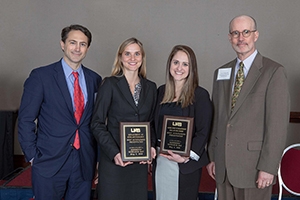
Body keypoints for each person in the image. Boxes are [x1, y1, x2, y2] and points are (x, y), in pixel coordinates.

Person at [206, 15, 290, 200]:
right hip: (223, 165)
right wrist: (212, 155)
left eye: (246, 32)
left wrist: (268, 167)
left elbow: (277, 126)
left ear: (256, 35)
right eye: (235, 33)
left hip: (254, 169)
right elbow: (217, 117)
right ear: (229, 38)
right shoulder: (220, 73)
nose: (241, 38)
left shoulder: (273, 72)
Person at [18, 24, 102, 200]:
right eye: (72, 42)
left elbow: (96, 123)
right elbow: (25, 119)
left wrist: (97, 159)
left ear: (87, 48)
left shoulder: (95, 79)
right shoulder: (41, 76)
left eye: (83, 44)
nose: (77, 48)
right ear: (62, 44)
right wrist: (33, 157)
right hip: (49, 161)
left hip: (83, 161)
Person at [91, 37, 157, 200]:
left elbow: (153, 123)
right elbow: (97, 123)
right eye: (127, 54)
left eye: (137, 54)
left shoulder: (151, 88)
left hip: (139, 166)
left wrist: (152, 146)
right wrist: (114, 153)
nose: (132, 58)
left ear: (142, 58)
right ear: (120, 57)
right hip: (114, 162)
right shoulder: (110, 84)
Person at [152, 45, 213, 200]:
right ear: (169, 64)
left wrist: (186, 157)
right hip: (161, 160)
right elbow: (152, 125)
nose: (179, 68)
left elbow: (204, 131)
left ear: (191, 68)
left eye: (185, 64)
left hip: (186, 164)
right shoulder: (160, 91)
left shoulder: (200, 95)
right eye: (176, 62)